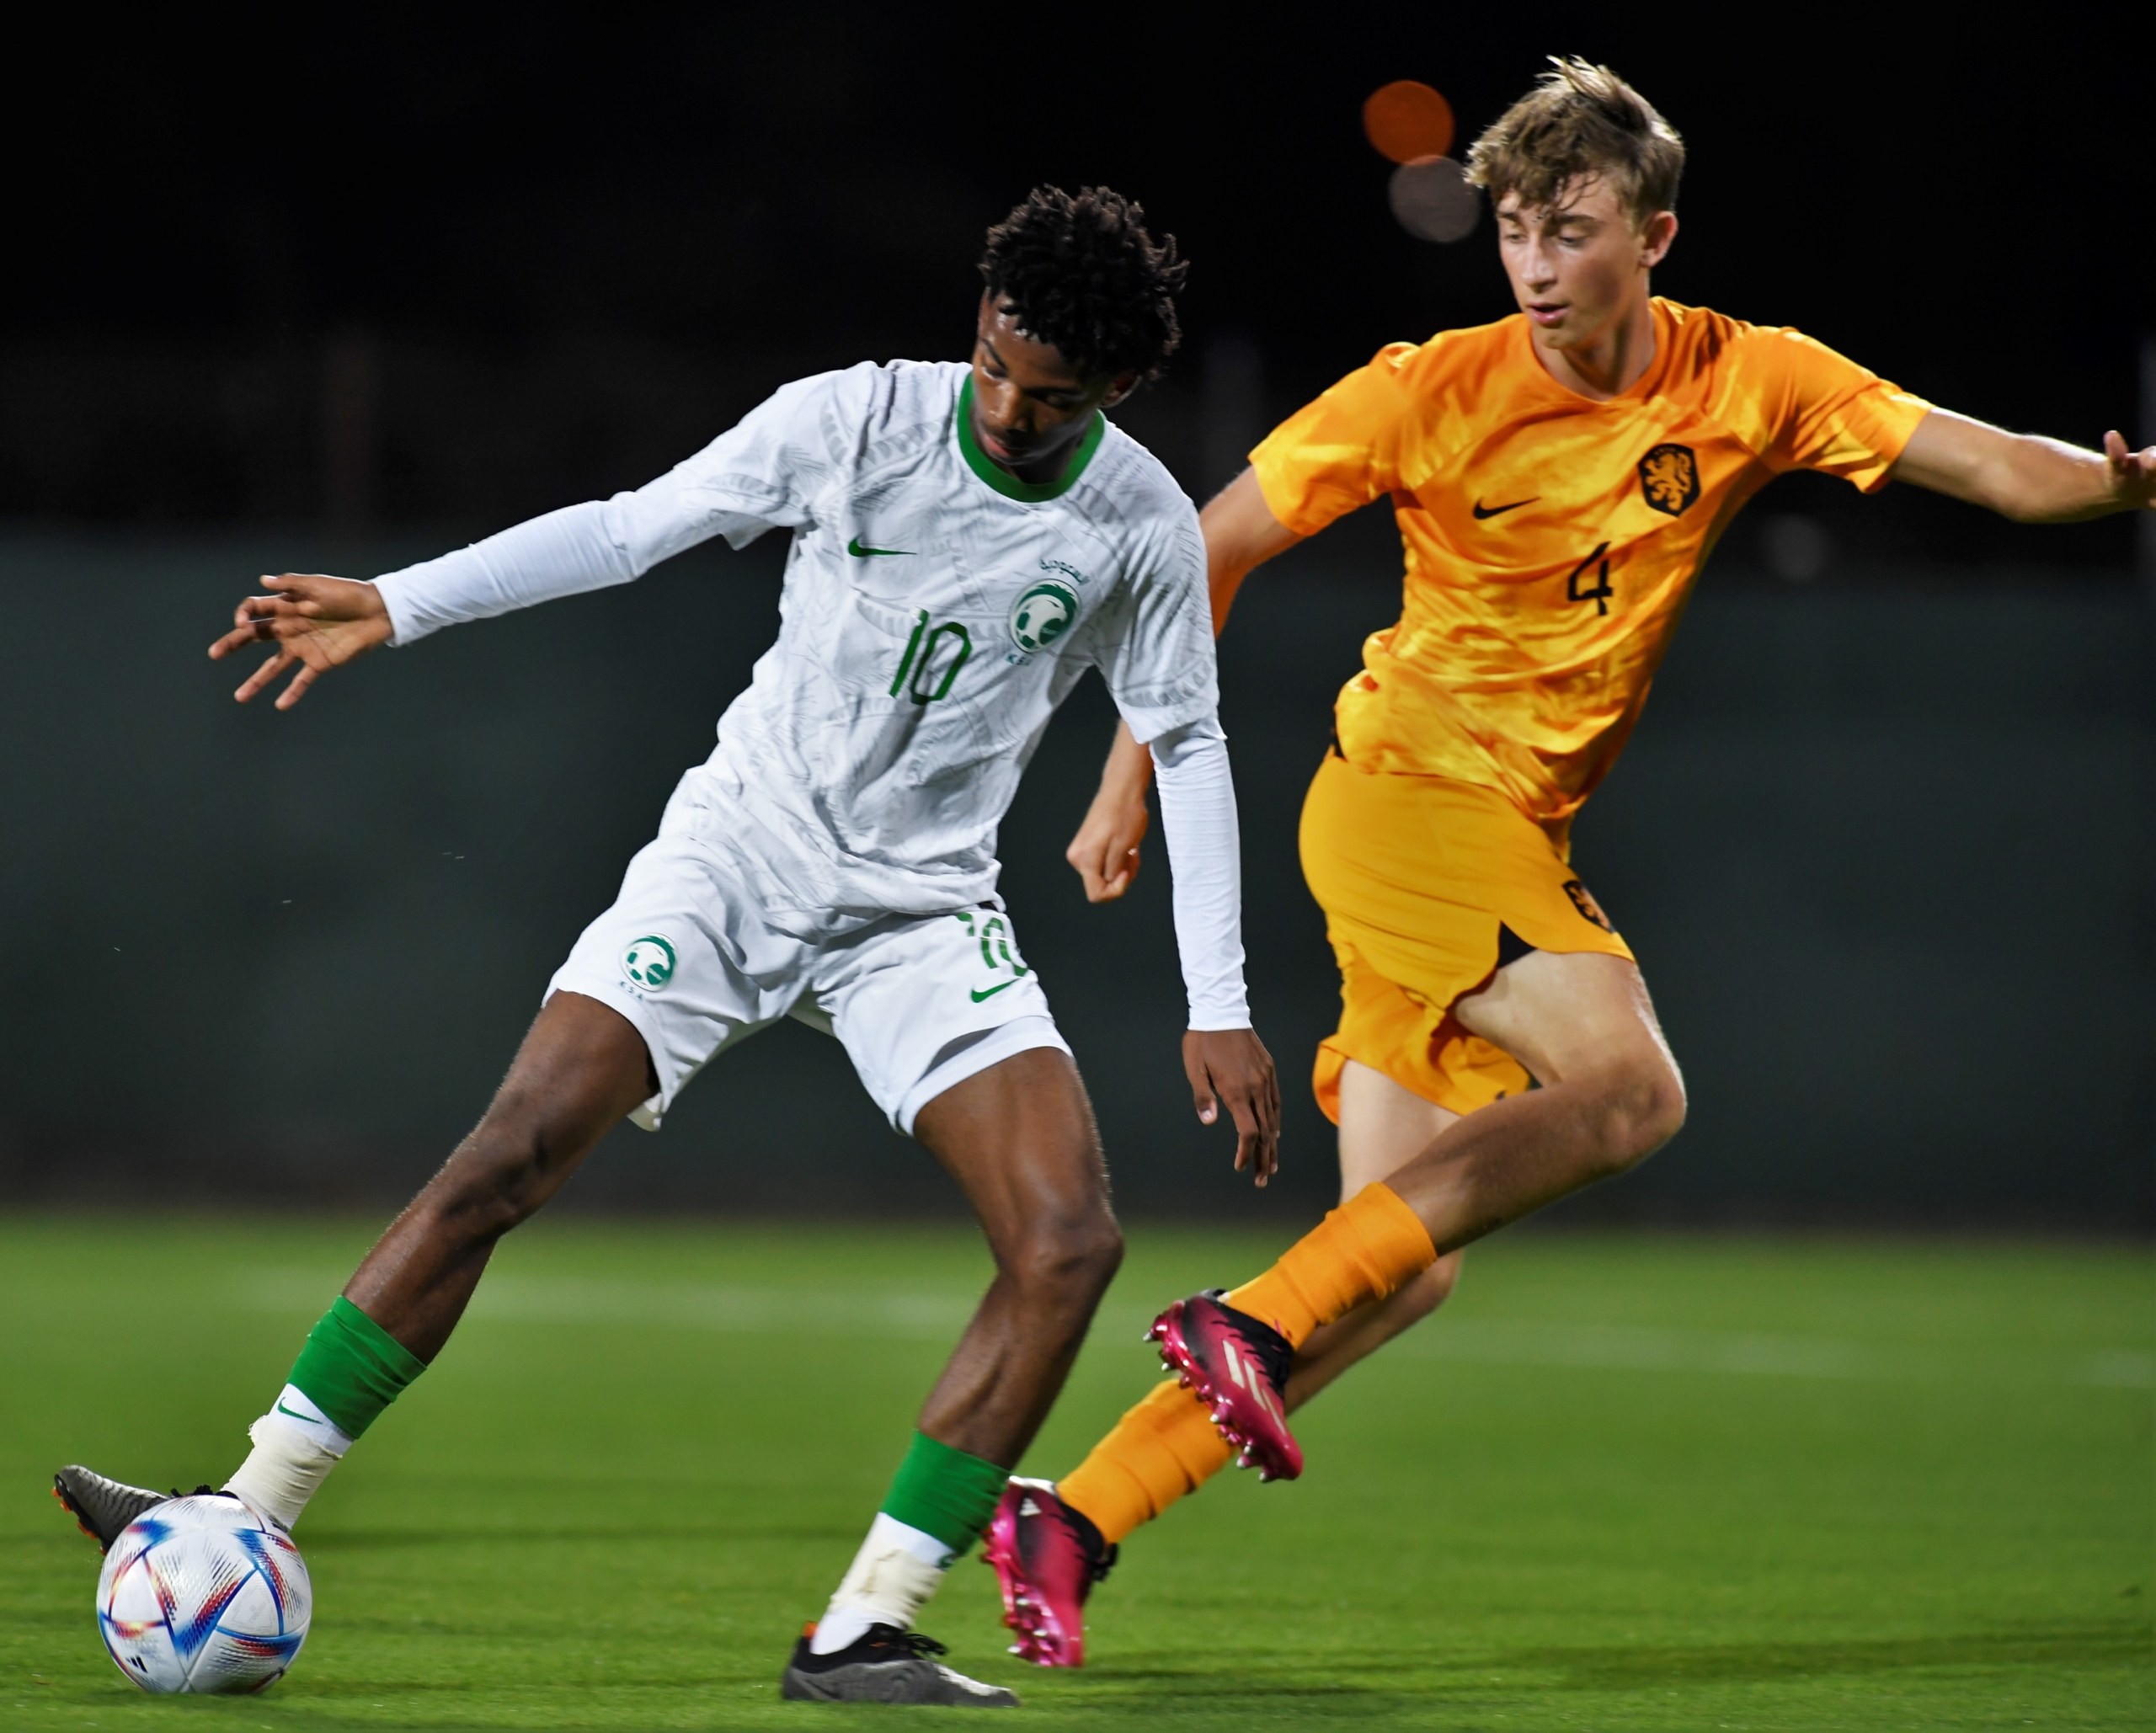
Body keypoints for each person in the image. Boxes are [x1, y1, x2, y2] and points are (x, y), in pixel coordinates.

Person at [985, 60, 2156, 1667]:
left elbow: (1996, 465)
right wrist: (1131, 765)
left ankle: (1076, 1514)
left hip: (1501, 831)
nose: (1534, 263)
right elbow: (1211, 543)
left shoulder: (1755, 378)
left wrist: (2113, 484)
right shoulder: (1429, 384)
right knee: (1634, 1090)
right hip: (1407, 793)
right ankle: (1237, 1323)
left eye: (1572, 226)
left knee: (1393, 1275)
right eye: (1515, 229)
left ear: (1653, 236)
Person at [51, 184, 1282, 1709]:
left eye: (1055, 399)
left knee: (1069, 1243)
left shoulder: (1141, 521)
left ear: (1117, 391)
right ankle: (248, 1503)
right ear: (977, 326)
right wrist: (397, 603)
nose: (1012, 408)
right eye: (996, 366)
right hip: (738, 857)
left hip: (922, 912)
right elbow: (633, 531)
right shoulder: (853, 421)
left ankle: (868, 1624)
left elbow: (1192, 740)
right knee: (510, 1151)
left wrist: (1215, 998)